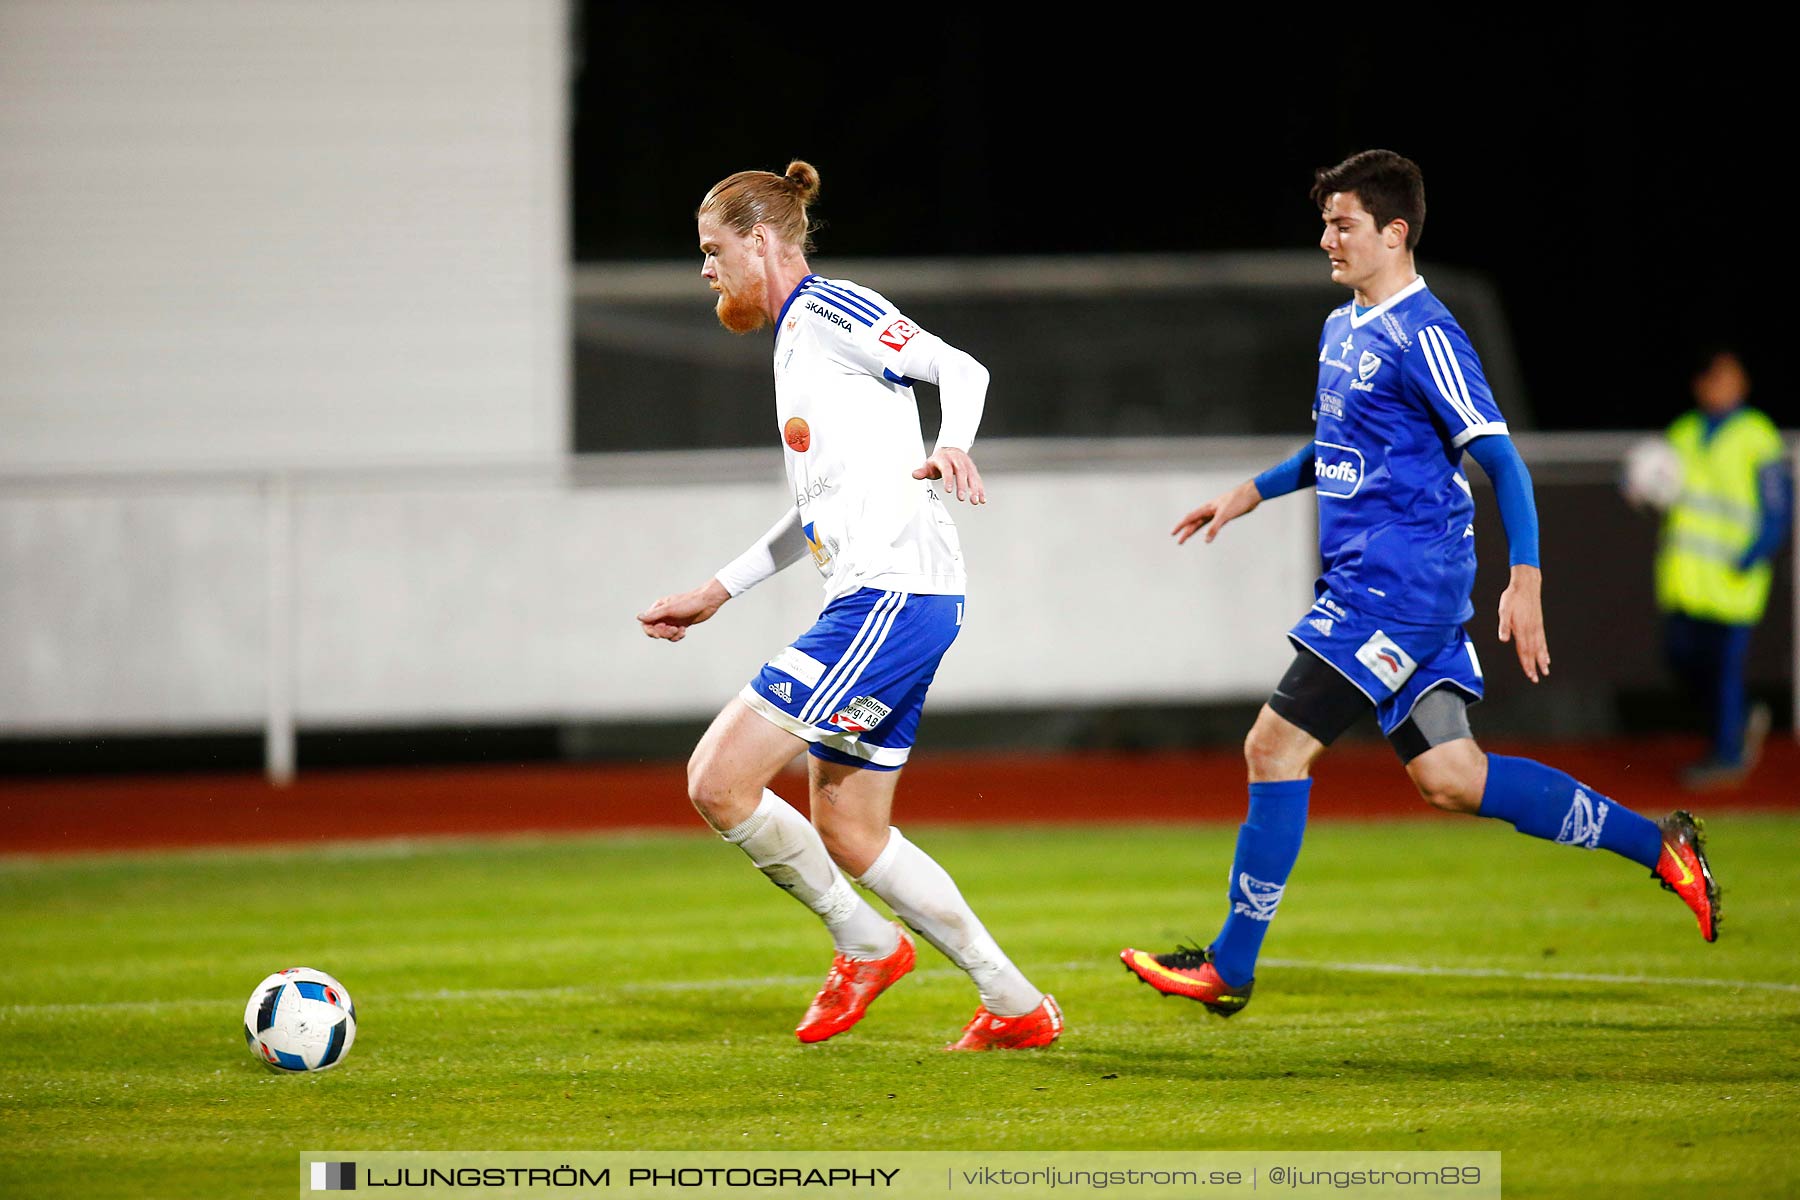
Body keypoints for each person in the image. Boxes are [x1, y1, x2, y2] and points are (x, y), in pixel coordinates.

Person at [1120, 150, 1723, 1017]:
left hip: (1394, 592)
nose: (1327, 236)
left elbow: (1502, 462)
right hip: (1393, 588)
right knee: (1453, 777)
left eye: (1344, 224)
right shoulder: (1345, 326)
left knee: (1272, 748)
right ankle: (1661, 845)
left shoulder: (1426, 332)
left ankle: (1230, 967)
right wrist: (1250, 493)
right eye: (1326, 220)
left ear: (1394, 233)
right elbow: (1332, 448)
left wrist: (1527, 580)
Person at [637, 160, 1061, 1051]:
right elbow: (815, 512)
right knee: (850, 826)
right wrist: (719, 590)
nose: (706, 269)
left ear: (761, 239)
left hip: (891, 598)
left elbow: (963, 368)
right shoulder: (795, 345)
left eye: (714, 250)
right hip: (895, 599)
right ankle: (1016, 1005)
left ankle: (865, 942)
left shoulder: (831, 313)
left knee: (717, 780)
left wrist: (951, 447)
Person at [1657, 347, 1790, 790]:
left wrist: (1753, 554)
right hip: (1686, 582)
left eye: (1729, 378)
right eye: (1714, 378)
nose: (1720, 387)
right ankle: (1742, 718)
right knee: (1683, 662)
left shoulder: (1757, 435)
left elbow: (1776, 508)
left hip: (1734, 581)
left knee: (1725, 669)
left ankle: (1728, 755)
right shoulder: (1683, 432)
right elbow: (1659, 488)